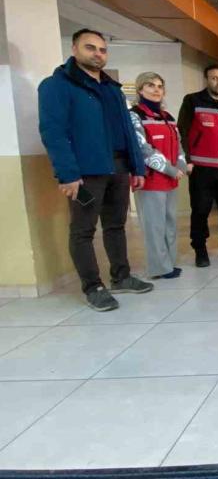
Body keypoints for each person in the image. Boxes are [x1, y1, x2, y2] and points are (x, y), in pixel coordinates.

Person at [38, 28, 152, 312]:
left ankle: (121, 276)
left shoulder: (112, 89)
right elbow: (53, 132)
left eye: (102, 49)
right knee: (83, 230)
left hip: (118, 167)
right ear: (74, 49)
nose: (97, 54)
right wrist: (67, 174)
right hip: (85, 174)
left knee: (116, 225)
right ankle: (93, 287)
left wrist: (137, 167)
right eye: (90, 48)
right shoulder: (56, 86)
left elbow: (128, 131)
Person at [178, 64, 218, 267]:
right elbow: (182, 131)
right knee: (200, 210)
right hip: (201, 168)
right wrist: (187, 159)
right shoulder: (193, 101)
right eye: (214, 78)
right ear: (207, 79)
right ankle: (200, 250)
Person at [129, 72, 188, 280]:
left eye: (160, 86)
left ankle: (169, 262)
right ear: (140, 90)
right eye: (150, 85)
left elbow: (178, 143)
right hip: (151, 181)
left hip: (171, 181)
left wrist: (181, 163)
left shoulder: (167, 117)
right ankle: (159, 268)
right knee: (154, 226)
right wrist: (170, 169)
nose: (156, 90)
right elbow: (143, 149)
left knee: (170, 223)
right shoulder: (135, 115)